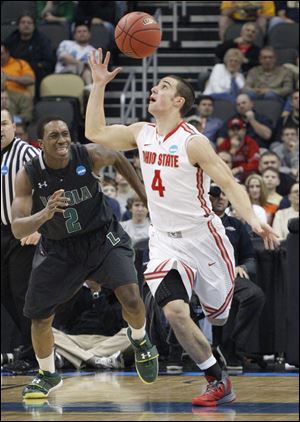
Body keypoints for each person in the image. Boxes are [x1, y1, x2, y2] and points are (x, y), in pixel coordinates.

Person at [85, 48, 279, 407]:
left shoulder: (193, 142)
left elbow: (231, 184)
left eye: (162, 85)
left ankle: (214, 345)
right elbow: (94, 130)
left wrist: (255, 222)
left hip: (203, 237)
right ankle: (216, 378)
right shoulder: (141, 132)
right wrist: (97, 85)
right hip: (164, 241)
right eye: (154, 85)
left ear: (178, 101)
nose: (153, 89)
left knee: (219, 316)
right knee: (174, 312)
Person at [11, 116, 159, 399]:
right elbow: (18, 227)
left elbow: (117, 158)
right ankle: (47, 374)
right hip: (58, 248)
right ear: (41, 144)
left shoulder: (87, 154)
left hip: (102, 237)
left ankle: (140, 340)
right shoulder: (29, 174)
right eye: (54, 136)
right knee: (40, 318)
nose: (62, 140)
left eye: (65, 133)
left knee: (130, 296)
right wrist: (45, 214)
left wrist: (147, 198)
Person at [209, 185, 265, 372]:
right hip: (202, 277)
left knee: (255, 295)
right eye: (215, 194)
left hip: (230, 276)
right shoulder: (197, 223)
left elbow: (250, 258)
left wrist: (241, 267)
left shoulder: (237, 225)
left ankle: (230, 345)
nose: (220, 198)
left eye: (224, 194)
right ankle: (175, 353)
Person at [1, 109, 40, 369]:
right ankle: (28, 347)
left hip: (22, 233)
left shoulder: (27, 154)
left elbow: (50, 185)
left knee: (22, 293)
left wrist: (40, 227)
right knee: (5, 294)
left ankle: (35, 355)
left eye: (3, 123)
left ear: (14, 127)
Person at [1, 42, 35, 124]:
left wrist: (9, 77)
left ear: (7, 53)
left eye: (1, 54)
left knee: (13, 99)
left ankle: (14, 122)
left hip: (17, 95)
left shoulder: (20, 64)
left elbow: (31, 80)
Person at [217, 117, 260, 182]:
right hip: (227, 173)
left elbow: (255, 164)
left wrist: (239, 169)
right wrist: (232, 151)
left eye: (238, 129)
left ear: (244, 130)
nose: (235, 132)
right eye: (232, 129)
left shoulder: (251, 143)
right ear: (228, 131)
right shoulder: (224, 144)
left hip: (245, 174)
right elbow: (218, 162)